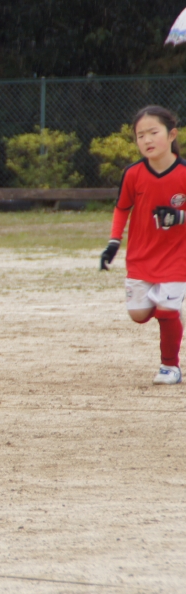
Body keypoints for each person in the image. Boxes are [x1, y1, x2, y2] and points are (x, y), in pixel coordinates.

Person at [100, 105, 186, 385]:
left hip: (177, 256)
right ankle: (169, 311)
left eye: (153, 132)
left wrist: (180, 216)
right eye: (140, 135)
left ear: (171, 134)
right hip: (142, 255)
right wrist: (114, 242)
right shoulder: (133, 173)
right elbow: (122, 208)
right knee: (138, 314)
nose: (147, 140)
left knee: (166, 311)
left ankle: (170, 367)